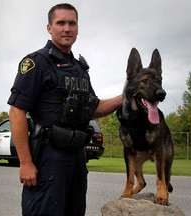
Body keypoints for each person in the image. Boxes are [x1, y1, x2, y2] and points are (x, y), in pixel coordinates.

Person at [8, 3, 123, 216]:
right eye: (60, 23)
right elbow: (16, 112)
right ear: (49, 28)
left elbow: (93, 108)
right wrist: (25, 163)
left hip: (76, 156)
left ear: (78, 29)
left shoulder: (80, 69)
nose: (67, 28)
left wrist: (124, 98)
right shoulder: (36, 63)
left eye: (72, 23)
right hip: (48, 157)